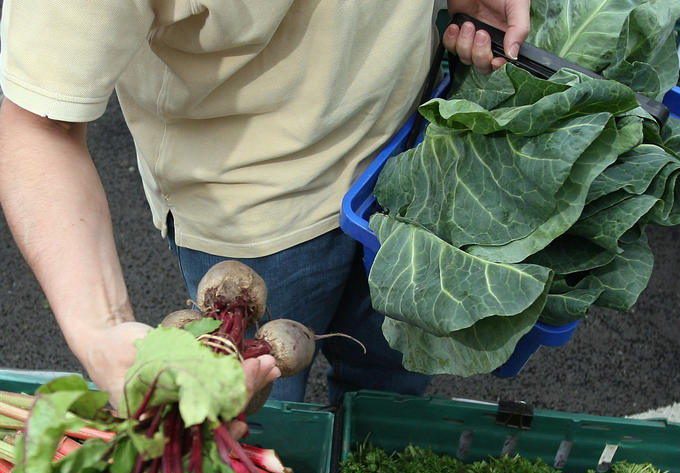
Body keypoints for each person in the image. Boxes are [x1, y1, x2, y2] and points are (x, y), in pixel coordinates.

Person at [0, 1, 530, 410]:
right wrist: (101, 330)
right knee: (257, 417)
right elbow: (37, 123)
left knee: (389, 385)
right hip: (251, 213)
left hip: (407, 158)